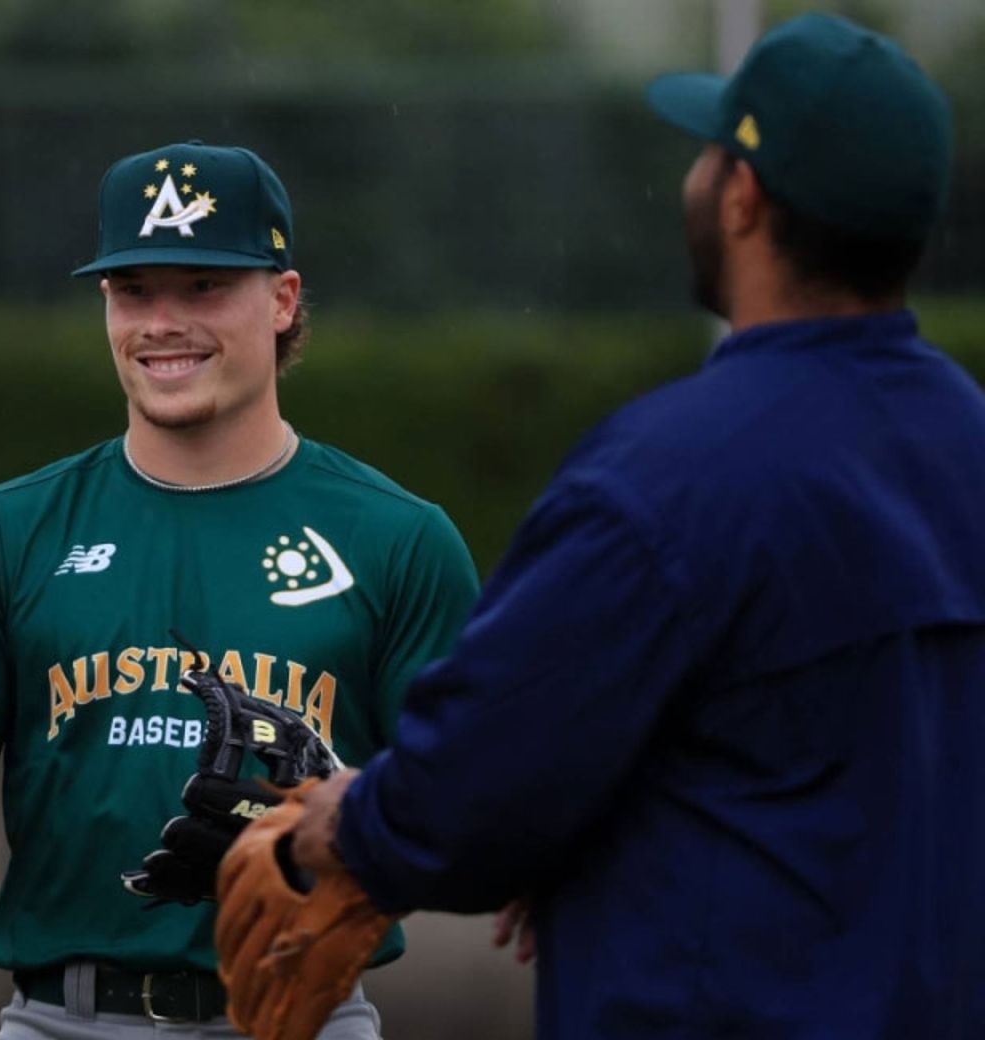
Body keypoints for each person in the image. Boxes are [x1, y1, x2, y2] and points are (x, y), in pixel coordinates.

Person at [279, 13, 985, 1039]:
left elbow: (470, 793)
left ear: (742, 195)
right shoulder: (966, 440)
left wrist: (344, 821)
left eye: (710, 151)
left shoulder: (668, 476)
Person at [0, 140, 480, 1038]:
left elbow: (462, 815)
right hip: (61, 1017)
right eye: (134, 289)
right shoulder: (9, 530)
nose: (162, 321)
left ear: (282, 299)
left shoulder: (396, 539)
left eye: (203, 286)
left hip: (302, 1015)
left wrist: (353, 827)